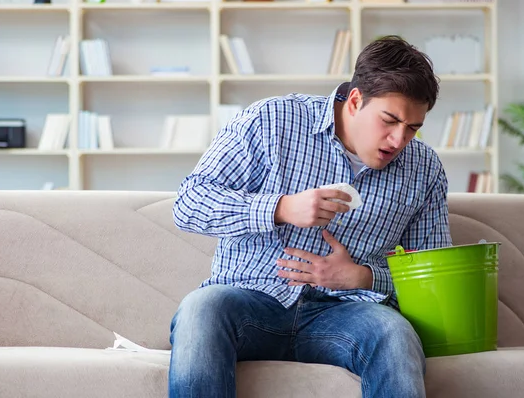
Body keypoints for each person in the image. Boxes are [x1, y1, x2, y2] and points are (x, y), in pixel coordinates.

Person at [169, 35, 452, 398]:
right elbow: (189, 204)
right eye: (390, 120)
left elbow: (431, 277)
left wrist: (364, 277)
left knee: (394, 334)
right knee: (200, 310)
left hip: (346, 316)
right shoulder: (270, 121)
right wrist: (281, 208)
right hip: (248, 301)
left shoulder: (423, 169)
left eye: (413, 128)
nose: (399, 140)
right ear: (354, 101)